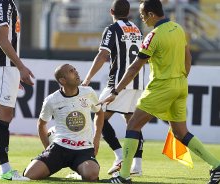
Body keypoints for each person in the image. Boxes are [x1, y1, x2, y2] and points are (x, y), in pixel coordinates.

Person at [98, 0, 220, 183]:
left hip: (161, 87)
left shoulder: (153, 36)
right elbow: (189, 57)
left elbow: (134, 68)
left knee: (132, 126)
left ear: (151, 14)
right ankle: (216, 165)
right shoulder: (178, 28)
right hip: (180, 85)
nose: (141, 18)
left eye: (142, 14)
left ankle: (123, 176)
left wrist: (115, 91)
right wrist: (181, 77)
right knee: (180, 132)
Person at [82, 0, 144, 176]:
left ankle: (118, 156)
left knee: (99, 115)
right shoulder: (137, 29)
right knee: (133, 123)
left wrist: (87, 79)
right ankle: (137, 166)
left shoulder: (112, 29)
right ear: (129, 12)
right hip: (138, 81)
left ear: (111, 11)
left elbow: (103, 55)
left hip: (119, 83)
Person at [0, 0, 34, 181]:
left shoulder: (0, 2)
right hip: (2, 65)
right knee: (5, 114)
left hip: (3, 67)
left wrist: (15, 70)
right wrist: (20, 67)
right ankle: (6, 170)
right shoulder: (2, 2)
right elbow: (3, 40)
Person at [23, 64, 104, 182]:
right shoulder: (51, 100)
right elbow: (41, 124)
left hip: (84, 149)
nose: (76, 72)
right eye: (71, 71)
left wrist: (96, 139)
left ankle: (78, 172)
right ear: (62, 80)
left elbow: (99, 113)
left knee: (91, 175)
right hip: (59, 148)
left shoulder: (88, 92)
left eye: (75, 69)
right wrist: (47, 148)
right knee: (29, 175)